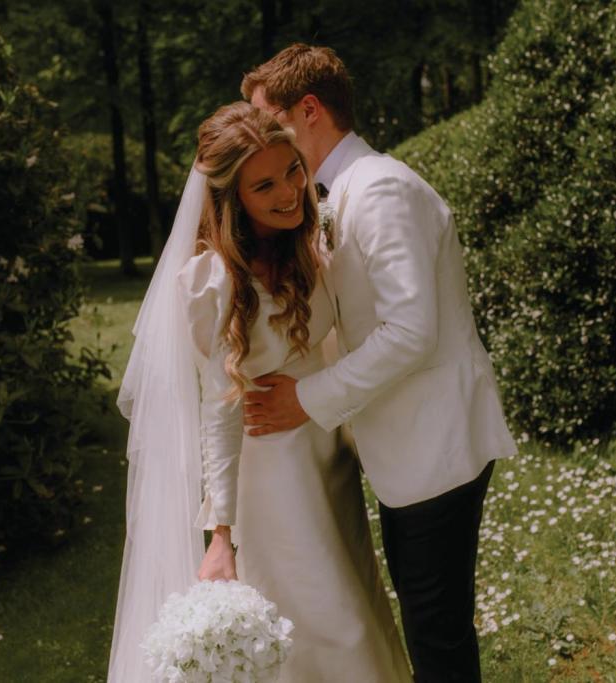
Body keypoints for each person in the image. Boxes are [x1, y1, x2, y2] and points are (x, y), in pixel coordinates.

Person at [106, 101, 411, 682]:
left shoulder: (305, 244)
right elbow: (218, 409)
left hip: (329, 461)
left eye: (292, 170)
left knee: (358, 604)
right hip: (272, 482)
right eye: (264, 185)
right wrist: (221, 534)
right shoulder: (214, 280)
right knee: (326, 623)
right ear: (232, 200)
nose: (289, 192)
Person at [241, 44, 518, 682]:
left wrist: (305, 399)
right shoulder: (336, 193)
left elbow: (411, 331)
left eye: (266, 119)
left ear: (308, 110)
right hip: (405, 446)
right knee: (431, 626)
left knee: (437, 634)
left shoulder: (382, 188)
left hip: (435, 444)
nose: (258, 136)